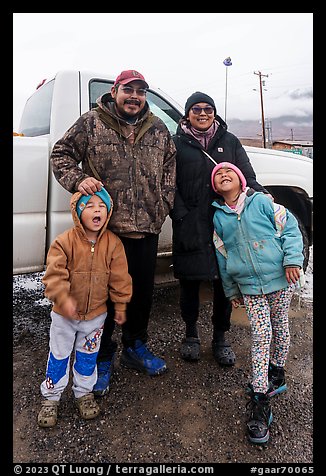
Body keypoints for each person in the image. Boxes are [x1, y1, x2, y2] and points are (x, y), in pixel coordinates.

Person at [50, 70, 176, 395]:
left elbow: (170, 172)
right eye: (128, 90)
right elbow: (60, 154)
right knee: (102, 299)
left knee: (141, 295)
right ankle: (101, 356)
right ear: (115, 91)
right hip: (106, 233)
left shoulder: (159, 129)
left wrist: (161, 205)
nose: (134, 97)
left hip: (146, 229)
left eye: (140, 92)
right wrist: (79, 181)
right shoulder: (92, 122)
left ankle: (135, 347)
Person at [170, 91, 270, 366]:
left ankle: (220, 338)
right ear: (187, 114)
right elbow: (168, 185)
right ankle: (190, 335)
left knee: (225, 283)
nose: (203, 113)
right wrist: (181, 216)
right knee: (189, 282)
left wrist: (262, 197)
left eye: (208, 109)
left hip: (226, 222)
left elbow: (247, 177)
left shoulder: (230, 141)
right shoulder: (176, 144)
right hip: (190, 223)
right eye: (196, 109)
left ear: (214, 113)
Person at [211, 162, 304, 444]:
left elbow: (291, 229)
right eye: (218, 175)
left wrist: (291, 259)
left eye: (229, 172)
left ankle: (277, 371)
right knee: (262, 335)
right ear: (215, 187)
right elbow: (223, 256)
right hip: (249, 287)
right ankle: (260, 398)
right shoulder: (219, 218)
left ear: (241, 180)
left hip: (279, 278)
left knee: (280, 328)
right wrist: (230, 291)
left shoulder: (262, 202)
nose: (224, 175)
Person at [38, 188, 132, 427]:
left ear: (108, 213)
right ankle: (51, 397)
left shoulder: (113, 244)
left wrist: (120, 304)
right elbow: (53, 275)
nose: (96, 209)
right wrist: (63, 298)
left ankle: (84, 393)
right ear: (78, 213)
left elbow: (120, 278)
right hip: (64, 317)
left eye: (101, 206)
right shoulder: (64, 242)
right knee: (59, 355)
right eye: (89, 206)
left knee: (88, 356)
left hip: (95, 316)